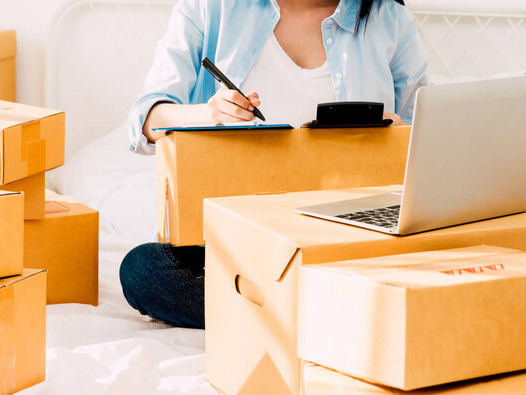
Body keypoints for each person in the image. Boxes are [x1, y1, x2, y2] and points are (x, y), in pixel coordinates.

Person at [120, 0, 430, 329]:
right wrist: (208, 114)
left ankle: (281, 313)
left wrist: (401, 132)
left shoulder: (389, 20)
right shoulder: (212, 7)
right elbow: (146, 119)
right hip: (237, 238)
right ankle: (330, 314)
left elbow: (427, 136)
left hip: (346, 237)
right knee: (144, 271)